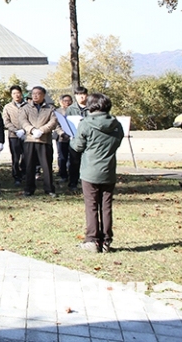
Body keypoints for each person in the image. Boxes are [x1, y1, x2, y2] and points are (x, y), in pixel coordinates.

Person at [71, 93, 124, 253]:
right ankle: (106, 241)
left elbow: (78, 147)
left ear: (91, 105)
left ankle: (92, 240)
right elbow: (118, 141)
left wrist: (73, 139)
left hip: (90, 170)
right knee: (106, 206)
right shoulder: (116, 124)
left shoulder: (85, 123)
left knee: (91, 206)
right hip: (108, 169)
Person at [21, 86, 59, 196]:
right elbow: (23, 121)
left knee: (46, 165)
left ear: (43, 95)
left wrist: (42, 130)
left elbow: (53, 122)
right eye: (33, 94)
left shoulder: (50, 108)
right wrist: (32, 130)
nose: (35, 96)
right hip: (30, 140)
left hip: (44, 140)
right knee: (29, 165)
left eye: (38, 93)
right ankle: (29, 188)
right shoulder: (25, 108)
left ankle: (49, 189)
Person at [2, 85, 27, 186]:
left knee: (26, 156)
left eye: (18, 93)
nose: (16, 95)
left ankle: (25, 174)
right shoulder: (8, 107)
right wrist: (16, 131)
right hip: (14, 135)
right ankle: (16, 176)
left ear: (21, 93)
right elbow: (6, 121)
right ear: (11, 95)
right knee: (15, 157)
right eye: (14, 93)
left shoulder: (28, 105)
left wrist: (25, 130)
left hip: (26, 135)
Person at [65, 86, 89, 191]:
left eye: (83, 94)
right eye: (79, 95)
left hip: (89, 139)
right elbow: (67, 123)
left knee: (87, 162)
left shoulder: (91, 107)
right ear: (75, 96)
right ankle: (73, 183)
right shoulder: (71, 109)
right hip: (75, 139)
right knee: (74, 162)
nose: (81, 97)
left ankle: (86, 183)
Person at [55, 94, 73, 181]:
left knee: (72, 157)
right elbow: (56, 125)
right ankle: (63, 175)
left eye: (69, 100)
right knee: (62, 156)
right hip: (61, 137)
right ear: (62, 102)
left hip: (73, 137)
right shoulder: (57, 111)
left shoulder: (74, 111)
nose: (67, 102)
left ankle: (72, 174)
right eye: (65, 101)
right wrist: (62, 133)